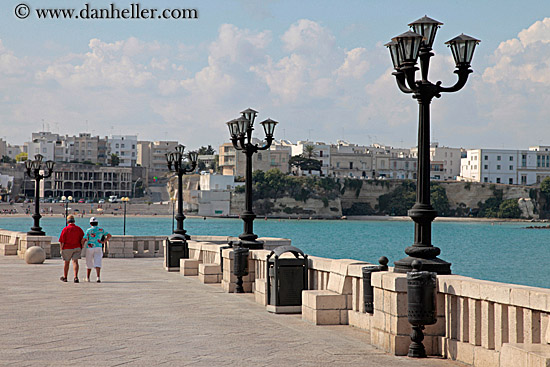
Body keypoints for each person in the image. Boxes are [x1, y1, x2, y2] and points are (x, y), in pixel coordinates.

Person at [83, 217, 111, 283]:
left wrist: (82, 244)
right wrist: (104, 241)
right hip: (98, 246)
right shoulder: (101, 230)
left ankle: (88, 278)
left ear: (90, 223)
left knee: (89, 262)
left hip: (90, 247)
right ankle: (98, 277)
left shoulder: (88, 230)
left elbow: (84, 238)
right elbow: (109, 235)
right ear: (97, 223)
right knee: (98, 261)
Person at [59, 214, 85, 283]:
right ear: (74, 221)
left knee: (66, 262)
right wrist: (82, 246)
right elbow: (83, 239)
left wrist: (61, 249)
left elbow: (62, 240)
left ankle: (65, 277)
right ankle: (75, 277)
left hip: (67, 248)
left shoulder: (65, 229)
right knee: (75, 262)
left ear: (67, 222)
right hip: (77, 247)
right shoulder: (79, 229)